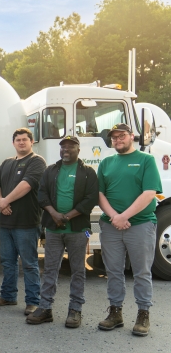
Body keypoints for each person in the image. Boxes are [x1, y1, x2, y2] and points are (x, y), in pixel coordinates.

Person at [97, 123, 161, 337]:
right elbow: (100, 195)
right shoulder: (106, 163)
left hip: (140, 224)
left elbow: (149, 192)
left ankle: (143, 314)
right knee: (113, 271)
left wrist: (124, 216)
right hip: (111, 225)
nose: (117, 140)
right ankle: (115, 312)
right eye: (114, 137)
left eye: (121, 136)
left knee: (141, 271)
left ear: (131, 136)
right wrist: (115, 217)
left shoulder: (146, 160)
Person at [26, 136, 98, 327]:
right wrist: (54, 214)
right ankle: (45, 308)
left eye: (70, 147)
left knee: (78, 270)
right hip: (53, 228)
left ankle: (75, 310)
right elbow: (42, 194)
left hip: (78, 229)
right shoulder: (51, 170)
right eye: (63, 147)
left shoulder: (88, 172)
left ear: (78, 150)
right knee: (50, 269)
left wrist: (67, 217)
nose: (66, 150)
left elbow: (91, 199)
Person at [0, 128, 46, 315]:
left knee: (29, 263)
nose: (21, 142)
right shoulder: (7, 163)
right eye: (18, 140)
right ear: (13, 143)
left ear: (31, 142)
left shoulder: (37, 161)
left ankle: (33, 301)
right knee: (7, 262)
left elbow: (27, 184)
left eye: (24, 139)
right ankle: (8, 296)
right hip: (6, 223)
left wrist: (6, 200)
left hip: (27, 223)